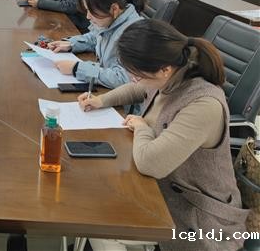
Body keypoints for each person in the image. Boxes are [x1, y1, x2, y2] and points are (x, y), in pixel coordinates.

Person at [79, 19, 248, 251]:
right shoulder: (171, 74)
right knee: (96, 201)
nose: (134, 80)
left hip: (202, 221)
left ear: (164, 70)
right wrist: (101, 100)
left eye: (137, 75)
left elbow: (150, 163)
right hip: (162, 191)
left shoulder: (203, 105)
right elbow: (139, 88)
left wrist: (142, 128)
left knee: (105, 226)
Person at [48, 0, 146, 89]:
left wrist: (76, 68)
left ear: (114, 9)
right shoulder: (111, 20)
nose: (88, 16)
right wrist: (71, 44)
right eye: (87, 10)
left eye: (92, 11)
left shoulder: (135, 34)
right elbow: (95, 36)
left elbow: (123, 78)